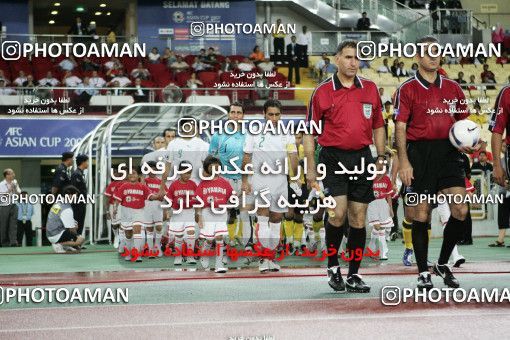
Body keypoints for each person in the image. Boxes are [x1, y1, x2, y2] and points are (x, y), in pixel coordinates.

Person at [305, 40, 385, 293]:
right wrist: (310, 167)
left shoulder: (370, 89)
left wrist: (380, 156)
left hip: (362, 157)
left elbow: (378, 125)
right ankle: (332, 267)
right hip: (332, 158)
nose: (353, 62)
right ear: (337, 59)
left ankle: (354, 274)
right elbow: (309, 132)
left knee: (358, 217)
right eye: (348, 57)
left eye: (356, 58)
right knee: (337, 215)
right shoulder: (322, 91)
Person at [394, 36, 474, 289]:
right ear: (418, 56)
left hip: (449, 154)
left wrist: (472, 142)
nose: (433, 56)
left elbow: (465, 123)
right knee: (420, 214)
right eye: (428, 52)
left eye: (436, 52)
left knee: (461, 211)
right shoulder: (406, 89)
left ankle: (442, 264)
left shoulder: (453, 88)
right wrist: (404, 161)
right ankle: (422, 272)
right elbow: (400, 127)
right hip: (419, 154)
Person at [242, 99, 299, 273]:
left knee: (276, 219)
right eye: (270, 114)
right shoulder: (254, 132)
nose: (274, 118)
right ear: (264, 114)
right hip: (261, 180)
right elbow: (246, 157)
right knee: (263, 216)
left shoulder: (287, 133)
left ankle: (271, 257)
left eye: (277, 114)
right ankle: (262, 258)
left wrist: (295, 178)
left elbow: (293, 155)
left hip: (280, 181)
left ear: (281, 115)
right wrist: (245, 181)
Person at [208, 102, 251, 248]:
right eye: (233, 112)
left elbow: (252, 158)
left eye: (239, 113)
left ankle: (247, 245)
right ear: (228, 115)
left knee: (245, 213)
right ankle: (222, 243)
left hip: (244, 179)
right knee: (222, 213)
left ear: (243, 116)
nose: (236, 116)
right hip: (224, 179)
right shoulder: (218, 135)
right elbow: (211, 158)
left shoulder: (249, 135)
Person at [113, 168, 160, 262]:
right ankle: (130, 252)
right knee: (128, 234)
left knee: (137, 230)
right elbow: (117, 199)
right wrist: (115, 209)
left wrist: (159, 195)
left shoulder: (143, 187)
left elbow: (151, 197)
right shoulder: (123, 186)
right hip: (126, 211)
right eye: (130, 174)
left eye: (134, 173)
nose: (132, 175)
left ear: (138, 176)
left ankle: (137, 254)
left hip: (138, 211)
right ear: (127, 176)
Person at [196, 156, 234, 273]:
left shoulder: (225, 183)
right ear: (207, 168)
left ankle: (219, 264)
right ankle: (204, 253)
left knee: (219, 237)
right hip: (207, 213)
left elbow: (231, 198)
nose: (215, 168)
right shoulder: (203, 184)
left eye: (217, 166)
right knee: (209, 238)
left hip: (221, 212)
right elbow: (198, 202)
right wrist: (199, 216)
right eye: (211, 166)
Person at [159, 117, 210, 188]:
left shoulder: (203, 145)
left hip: (196, 185)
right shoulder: (173, 144)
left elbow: (206, 168)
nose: (190, 127)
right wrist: (162, 187)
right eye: (187, 124)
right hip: (177, 185)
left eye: (193, 125)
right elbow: (167, 167)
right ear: (181, 127)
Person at [436, 177, 474, 267]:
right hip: (439, 189)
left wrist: (467, 191)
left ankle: (454, 256)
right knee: (445, 221)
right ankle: (454, 256)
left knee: (449, 222)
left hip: (450, 189)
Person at [165, 161, 197, 266]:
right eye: (185, 172)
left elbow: (197, 200)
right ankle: (178, 257)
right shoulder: (174, 185)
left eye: (189, 173)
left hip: (189, 212)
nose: (187, 175)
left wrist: (197, 213)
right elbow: (169, 200)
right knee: (178, 235)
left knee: (191, 233)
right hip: (177, 212)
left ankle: (190, 256)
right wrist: (167, 212)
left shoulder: (193, 184)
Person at [46, 186, 85, 253]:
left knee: (76, 241)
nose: (77, 198)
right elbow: (71, 229)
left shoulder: (58, 203)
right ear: (69, 195)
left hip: (50, 234)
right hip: (56, 235)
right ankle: (59, 244)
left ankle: (65, 244)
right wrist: (77, 236)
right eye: (76, 196)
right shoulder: (67, 209)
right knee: (81, 239)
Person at [367, 173, 394, 260]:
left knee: (383, 228)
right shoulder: (369, 178)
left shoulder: (386, 179)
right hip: (372, 202)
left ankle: (374, 249)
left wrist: (390, 208)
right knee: (378, 227)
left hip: (383, 203)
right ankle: (380, 252)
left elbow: (389, 195)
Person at [142, 161, 165, 258]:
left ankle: (157, 246)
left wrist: (166, 210)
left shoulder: (160, 182)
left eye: (154, 169)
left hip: (158, 206)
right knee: (149, 229)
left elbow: (165, 195)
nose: (152, 171)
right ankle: (151, 250)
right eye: (149, 169)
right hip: (147, 206)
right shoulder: (145, 181)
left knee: (159, 227)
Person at [104, 167, 124, 250]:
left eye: (117, 172)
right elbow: (107, 199)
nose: (115, 174)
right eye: (114, 172)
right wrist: (107, 211)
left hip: (123, 206)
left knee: (123, 224)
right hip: (113, 206)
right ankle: (116, 236)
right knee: (115, 224)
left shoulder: (124, 183)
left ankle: (122, 241)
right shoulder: (111, 185)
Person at [0, 169, 21, 247]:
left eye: (13, 173)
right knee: (4, 225)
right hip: (4, 206)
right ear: (7, 175)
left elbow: (19, 193)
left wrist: (14, 187)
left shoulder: (15, 183)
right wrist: (9, 189)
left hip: (14, 204)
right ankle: (4, 242)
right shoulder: (1, 184)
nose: (13, 175)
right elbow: (2, 197)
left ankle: (13, 242)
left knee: (13, 224)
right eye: (12, 173)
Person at [71, 154, 88, 236]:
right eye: (86, 161)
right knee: (77, 222)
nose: (87, 163)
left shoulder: (80, 173)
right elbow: (74, 189)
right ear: (82, 162)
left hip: (81, 203)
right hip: (77, 203)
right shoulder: (76, 174)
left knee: (80, 222)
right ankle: (74, 242)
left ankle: (78, 241)